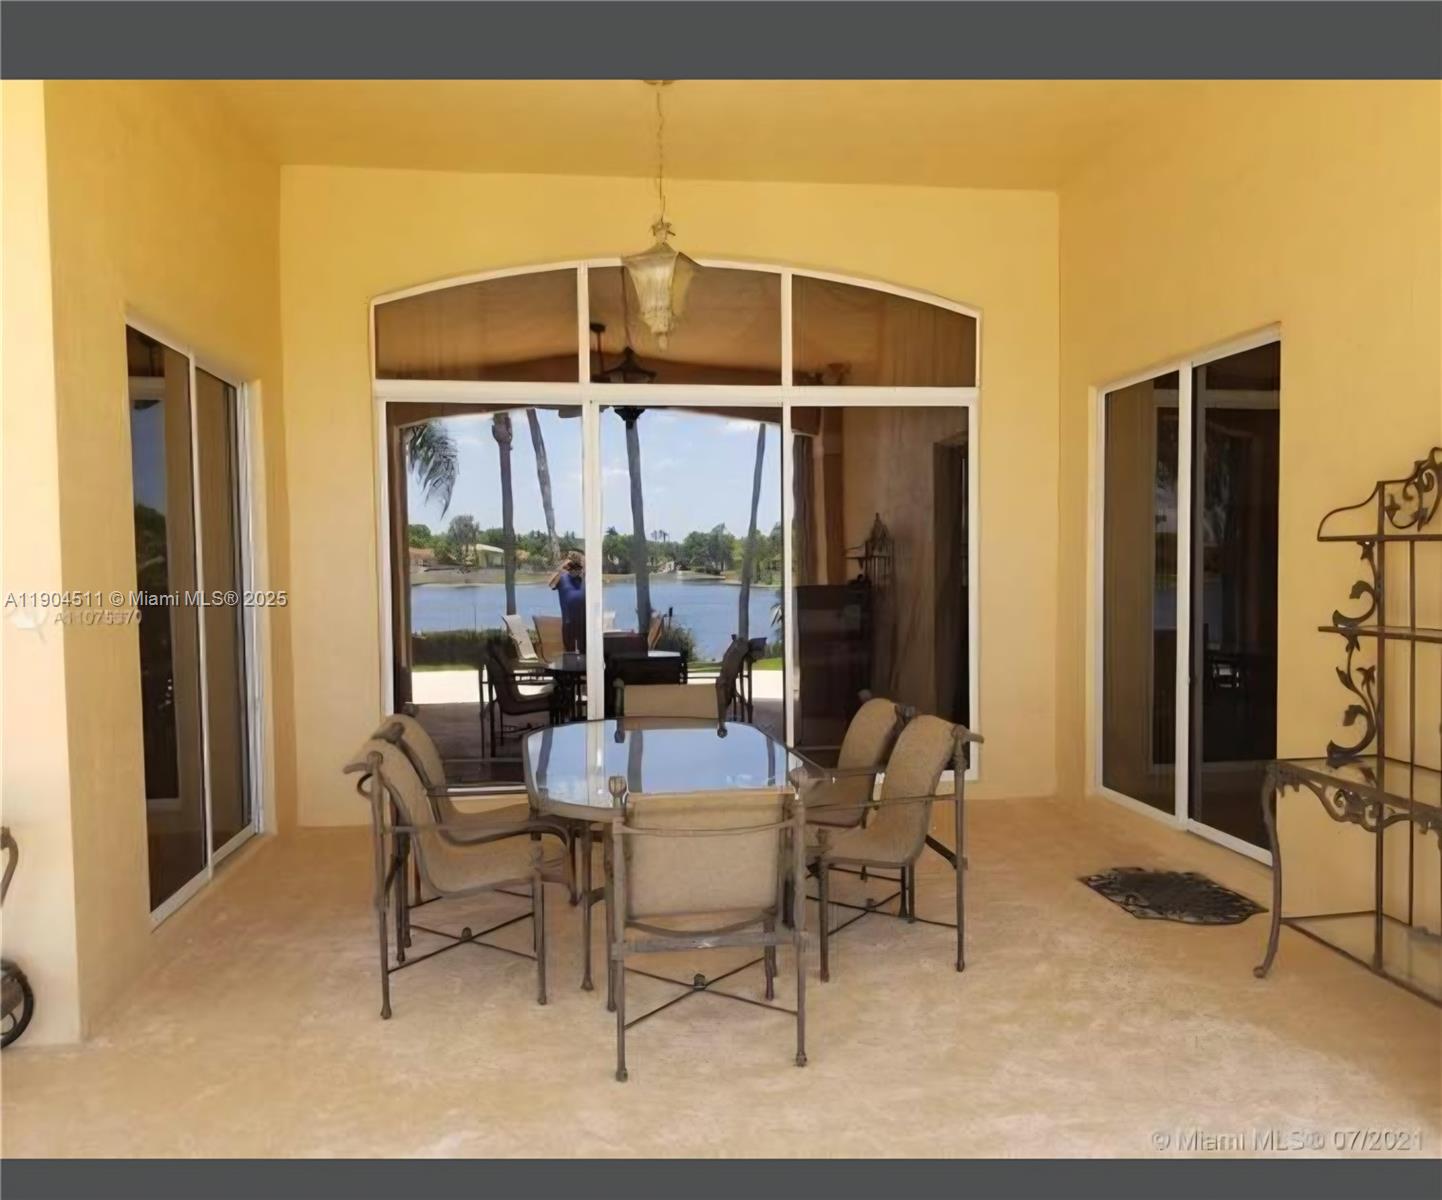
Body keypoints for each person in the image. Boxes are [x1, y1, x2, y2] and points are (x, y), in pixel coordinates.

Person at [549, 551, 586, 652]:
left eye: (578, 567)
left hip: (584, 622)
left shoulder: (585, 579)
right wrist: (562, 566)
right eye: (572, 567)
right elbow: (551, 584)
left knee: (585, 651)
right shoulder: (562, 578)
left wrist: (583, 564)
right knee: (569, 651)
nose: (575, 570)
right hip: (568, 621)